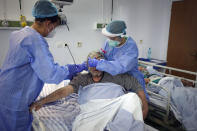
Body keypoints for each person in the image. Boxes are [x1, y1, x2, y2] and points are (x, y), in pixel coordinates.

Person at [0, 0, 87, 130]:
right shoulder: (35, 41)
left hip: (5, 88)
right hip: (15, 99)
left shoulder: (19, 33)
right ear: (48, 24)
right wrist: (73, 68)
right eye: (54, 27)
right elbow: (51, 74)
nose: (53, 30)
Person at [30, 51, 148, 119]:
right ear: (87, 65)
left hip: (114, 110)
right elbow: (64, 91)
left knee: (132, 98)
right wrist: (42, 101)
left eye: (99, 63)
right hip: (92, 113)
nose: (95, 68)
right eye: (92, 63)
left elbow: (135, 84)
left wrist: (145, 106)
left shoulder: (115, 77)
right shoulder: (82, 79)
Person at [88, 20, 149, 100]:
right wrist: (94, 59)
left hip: (131, 78)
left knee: (135, 103)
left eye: (112, 38)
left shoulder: (131, 47)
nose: (109, 39)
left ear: (121, 36)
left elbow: (120, 66)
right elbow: (103, 54)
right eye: (108, 37)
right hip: (114, 79)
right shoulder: (109, 42)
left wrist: (99, 64)